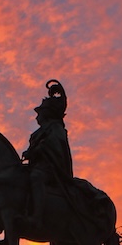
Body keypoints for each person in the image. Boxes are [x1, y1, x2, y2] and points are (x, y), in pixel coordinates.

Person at [22, 79, 74, 227]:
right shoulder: (38, 132)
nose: (36, 115)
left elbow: (54, 144)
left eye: (40, 112)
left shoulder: (56, 128)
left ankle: (37, 217)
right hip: (36, 165)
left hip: (51, 169)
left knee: (36, 177)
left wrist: (37, 150)